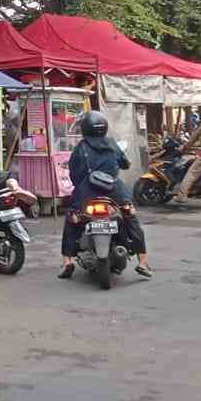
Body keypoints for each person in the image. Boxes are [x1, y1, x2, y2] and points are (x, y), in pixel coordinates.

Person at [59, 111, 151, 279]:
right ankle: (142, 262)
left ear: (84, 128)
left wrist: (80, 185)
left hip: (86, 191)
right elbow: (124, 164)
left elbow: (73, 171)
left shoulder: (81, 147)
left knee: (72, 219)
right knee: (130, 216)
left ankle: (68, 262)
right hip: (114, 190)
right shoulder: (112, 144)